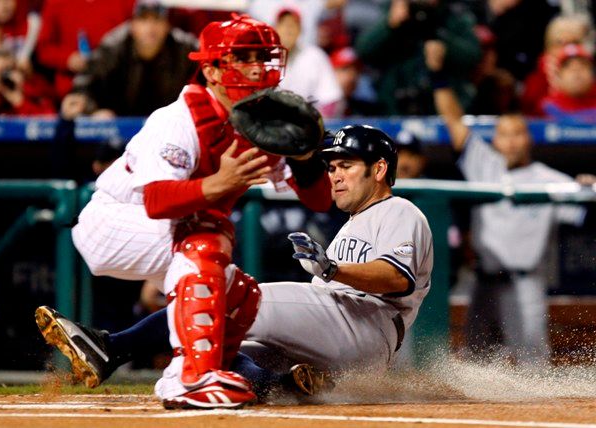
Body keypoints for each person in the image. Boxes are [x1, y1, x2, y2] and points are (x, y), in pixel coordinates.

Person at [35, 14, 332, 409]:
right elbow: (158, 201)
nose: (257, 66)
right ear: (210, 68)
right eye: (243, 57)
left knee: (240, 294)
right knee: (208, 235)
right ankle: (189, 377)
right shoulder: (179, 118)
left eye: (263, 56)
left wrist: (307, 158)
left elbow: (320, 201)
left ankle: (218, 369)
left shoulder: (262, 122)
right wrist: (219, 184)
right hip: (113, 221)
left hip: (170, 228)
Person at [36, 124, 434, 403]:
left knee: (223, 289)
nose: (335, 176)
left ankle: (111, 348)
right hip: (343, 339)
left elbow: (396, 279)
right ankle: (283, 386)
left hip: (363, 322)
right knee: (217, 351)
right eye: (331, 167)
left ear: (379, 169)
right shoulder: (352, 225)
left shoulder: (399, 210)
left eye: (346, 165)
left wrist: (332, 270)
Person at [430, 54, 588, 365]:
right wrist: (438, 76)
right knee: (474, 363)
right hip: (483, 282)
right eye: (505, 135)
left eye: (518, 133)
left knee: (533, 363)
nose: (512, 141)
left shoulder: (550, 179)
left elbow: (583, 212)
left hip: (525, 282)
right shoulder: (484, 164)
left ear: (528, 138)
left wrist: (586, 186)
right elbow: (454, 123)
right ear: (496, 140)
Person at [69, 0, 198, 118]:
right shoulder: (113, 47)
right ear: (132, 25)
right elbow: (84, 86)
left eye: (157, 20)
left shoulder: (184, 48)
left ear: (167, 26)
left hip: (170, 125)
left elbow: (207, 75)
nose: (150, 28)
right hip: (118, 125)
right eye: (144, 20)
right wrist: (93, 111)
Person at [355, 0, 481, 115]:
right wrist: (388, 25)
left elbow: (473, 56)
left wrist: (444, 44)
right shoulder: (391, 9)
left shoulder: (454, 14)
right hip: (393, 106)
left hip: (444, 108)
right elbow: (363, 50)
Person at [273, 7, 343, 117]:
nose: (287, 30)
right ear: (275, 29)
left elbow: (330, 99)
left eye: (292, 26)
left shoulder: (315, 56)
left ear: (300, 30)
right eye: (283, 25)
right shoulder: (264, 57)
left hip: (308, 123)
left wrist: (317, 125)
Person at [540, 43, 596, 123]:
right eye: (568, 66)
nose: (576, 71)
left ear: (592, 73)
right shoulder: (545, 108)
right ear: (558, 76)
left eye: (583, 65)